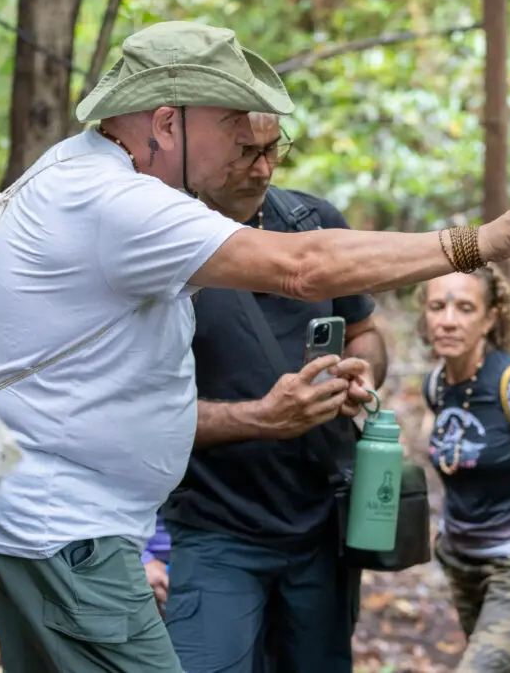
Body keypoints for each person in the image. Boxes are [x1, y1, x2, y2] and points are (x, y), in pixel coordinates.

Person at [0, 20, 510, 673]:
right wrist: (481, 241)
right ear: (167, 124)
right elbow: (301, 266)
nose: (247, 147)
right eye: (230, 124)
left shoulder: (73, 168)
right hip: (70, 532)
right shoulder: (117, 202)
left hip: (41, 522)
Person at [153, 111, 387, 672]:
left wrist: (363, 371)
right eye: (244, 152)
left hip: (318, 522)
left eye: (272, 149)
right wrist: (262, 416)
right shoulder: (163, 239)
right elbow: (143, 411)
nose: (261, 168)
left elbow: (366, 331)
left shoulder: (312, 220)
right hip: (213, 528)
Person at [419, 265, 510, 673]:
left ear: (490, 318)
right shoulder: (436, 385)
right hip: (462, 560)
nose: (448, 320)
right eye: (437, 307)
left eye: (465, 308)